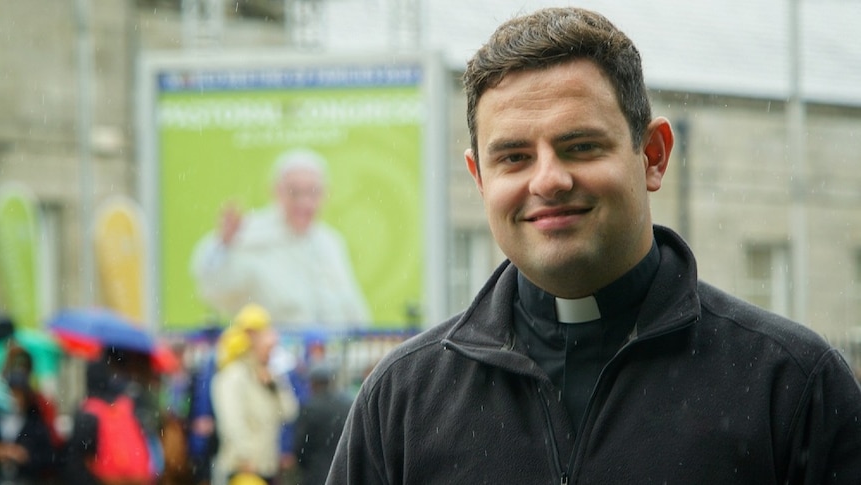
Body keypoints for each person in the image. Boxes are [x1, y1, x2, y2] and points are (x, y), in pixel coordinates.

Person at [326, 7, 861, 484]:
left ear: (652, 155)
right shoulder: (402, 400)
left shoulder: (789, 385)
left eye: (580, 146)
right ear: (480, 179)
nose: (548, 180)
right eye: (513, 157)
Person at [190, 148, 370, 329]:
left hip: (332, 352)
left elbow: (352, 307)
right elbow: (215, 288)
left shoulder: (329, 241)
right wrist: (225, 245)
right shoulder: (249, 234)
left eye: (312, 193)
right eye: (295, 192)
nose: (304, 202)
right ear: (277, 191)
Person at [210, 304, 299, 485]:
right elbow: (232, 423)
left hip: (265, 470)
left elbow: (290, 412)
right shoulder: (232, 376)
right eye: (268, 344)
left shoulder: (268, 376)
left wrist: (276, 385)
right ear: (251, 339)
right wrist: (245, 458)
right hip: (242, 471)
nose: (271, 350)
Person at [293, 362, 352, 485]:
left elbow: (300, 447)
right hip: (343, 472)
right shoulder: (347, 405)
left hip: (315, 474)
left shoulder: (310, 407)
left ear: (313, 384)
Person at [0, 370, 58, 484]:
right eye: (11, 393)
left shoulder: (36, 425)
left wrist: (26, 456)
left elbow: (49, 458)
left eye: (18, 394)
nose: (14, 399)